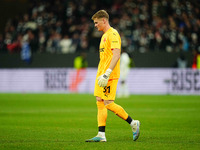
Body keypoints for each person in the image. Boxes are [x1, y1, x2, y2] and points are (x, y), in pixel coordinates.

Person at [85, 10, 140, 142]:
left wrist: (107, 73)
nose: (95, 25)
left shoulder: (113, 34)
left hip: (109, 75)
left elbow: (116, 54)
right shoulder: (104, 36)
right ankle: (101, 135)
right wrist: (101, 74)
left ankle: (133, 123)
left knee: (108, 103)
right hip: (101, 75)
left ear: (104, 20)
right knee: (99, 100)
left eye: (96, 22)